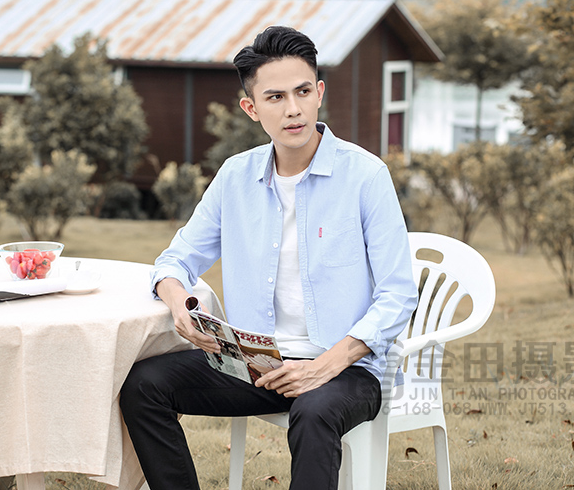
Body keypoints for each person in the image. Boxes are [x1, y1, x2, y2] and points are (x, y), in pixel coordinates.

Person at [120, 26, 418, 490]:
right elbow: (176, 258)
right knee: (142, 386)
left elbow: (398, 294)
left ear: (320, 93)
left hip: (345, 369)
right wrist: (177, 303)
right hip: (256, 366)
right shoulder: (235, 177)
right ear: (252, 108)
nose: (293, 109)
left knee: (314, 412)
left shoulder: (365, 176)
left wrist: (324, 366)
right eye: (275, 97)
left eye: (303, 92)